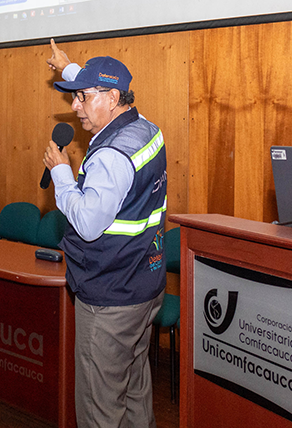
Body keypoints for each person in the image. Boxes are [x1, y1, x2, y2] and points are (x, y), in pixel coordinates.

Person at [42, 39, 168, 428]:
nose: (74, 106)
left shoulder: (111, 156)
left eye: (81, 97)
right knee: (133, 392)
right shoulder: (146, 129)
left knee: (101, 408)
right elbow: (97, 85)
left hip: (109, 298)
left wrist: (62, 173)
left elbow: (87, 221)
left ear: (112, 98)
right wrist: (67, 71)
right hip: (143, 286)